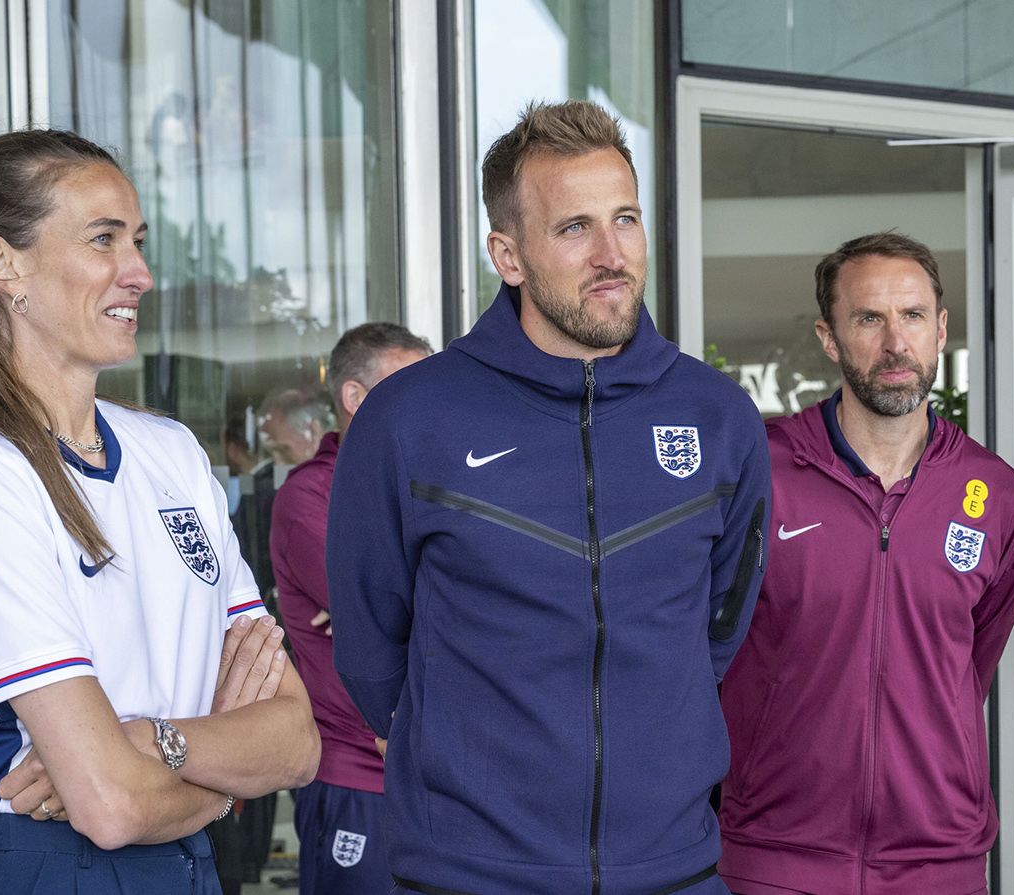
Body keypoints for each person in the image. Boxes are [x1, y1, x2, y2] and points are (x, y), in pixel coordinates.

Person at [326, 100, 771, 895]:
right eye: (574, 228)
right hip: (467, 874)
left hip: (675, 871)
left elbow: (718, 631)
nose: (612, 254)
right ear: (509, 254)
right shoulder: (410, 419)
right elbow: (370, 650)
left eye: (625, 219)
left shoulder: (719, 415)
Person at [0, 128, 319, 894]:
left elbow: (295, 741)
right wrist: (224, 778)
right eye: (103, 240)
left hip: (189, 867)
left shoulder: (172, 454)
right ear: (4, 264)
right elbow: (112, 805)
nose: (141, 273)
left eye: (139, 241)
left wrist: (149, 741)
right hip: (49, 865)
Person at [716, 233, 1014, 895]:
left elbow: (968, 665)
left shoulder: (994, 492)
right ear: (828, 337)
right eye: (869, 318)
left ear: (941, 329)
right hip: (775, 857)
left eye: (913, 316)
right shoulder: (759, 473)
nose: (895, 343)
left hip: (937, 862)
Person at [271, 322, 431, 893]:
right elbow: (382, 609)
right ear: (355, 398)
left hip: (443, 776)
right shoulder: (308, 496)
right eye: (410, 385)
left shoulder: (437, 482)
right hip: (356, 776)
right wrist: (409, 598)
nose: (430, 403)